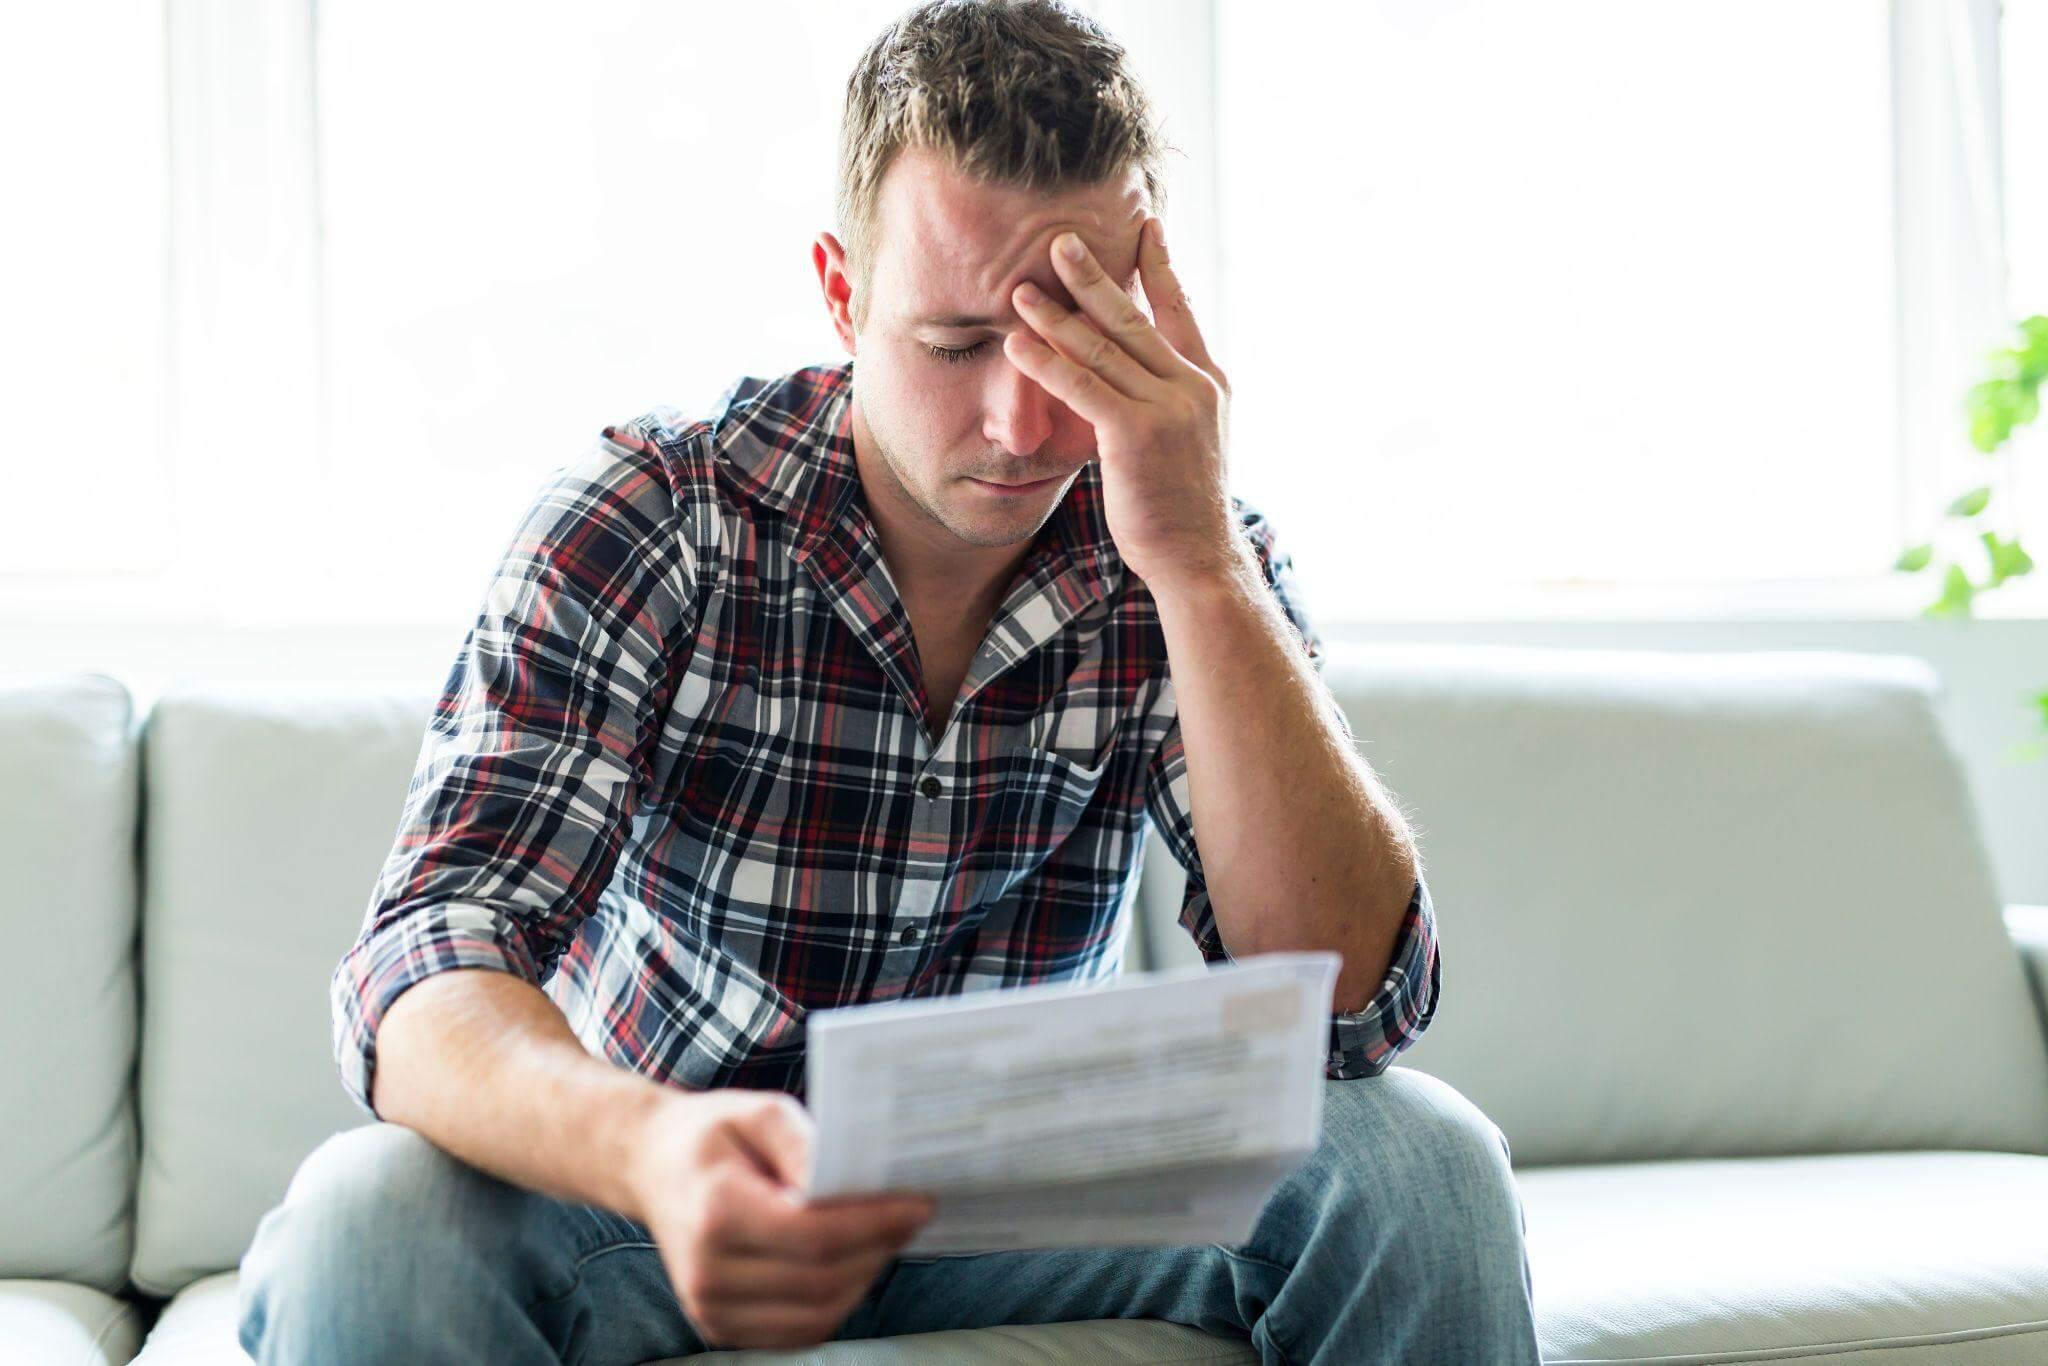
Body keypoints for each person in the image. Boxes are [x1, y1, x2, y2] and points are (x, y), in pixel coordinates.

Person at [236, 2, 1539, 1361]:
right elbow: (426, 956)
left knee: (1422, 1162)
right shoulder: (657, 516)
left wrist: (1199, 566)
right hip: (659, 1175)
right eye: (961, 342)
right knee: (370, 1208)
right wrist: (654, 1149)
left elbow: (1347, 1009)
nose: (1025, 424)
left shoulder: (1180, 537)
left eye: (1073, 340)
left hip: (1023, 1178)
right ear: (843, 291)